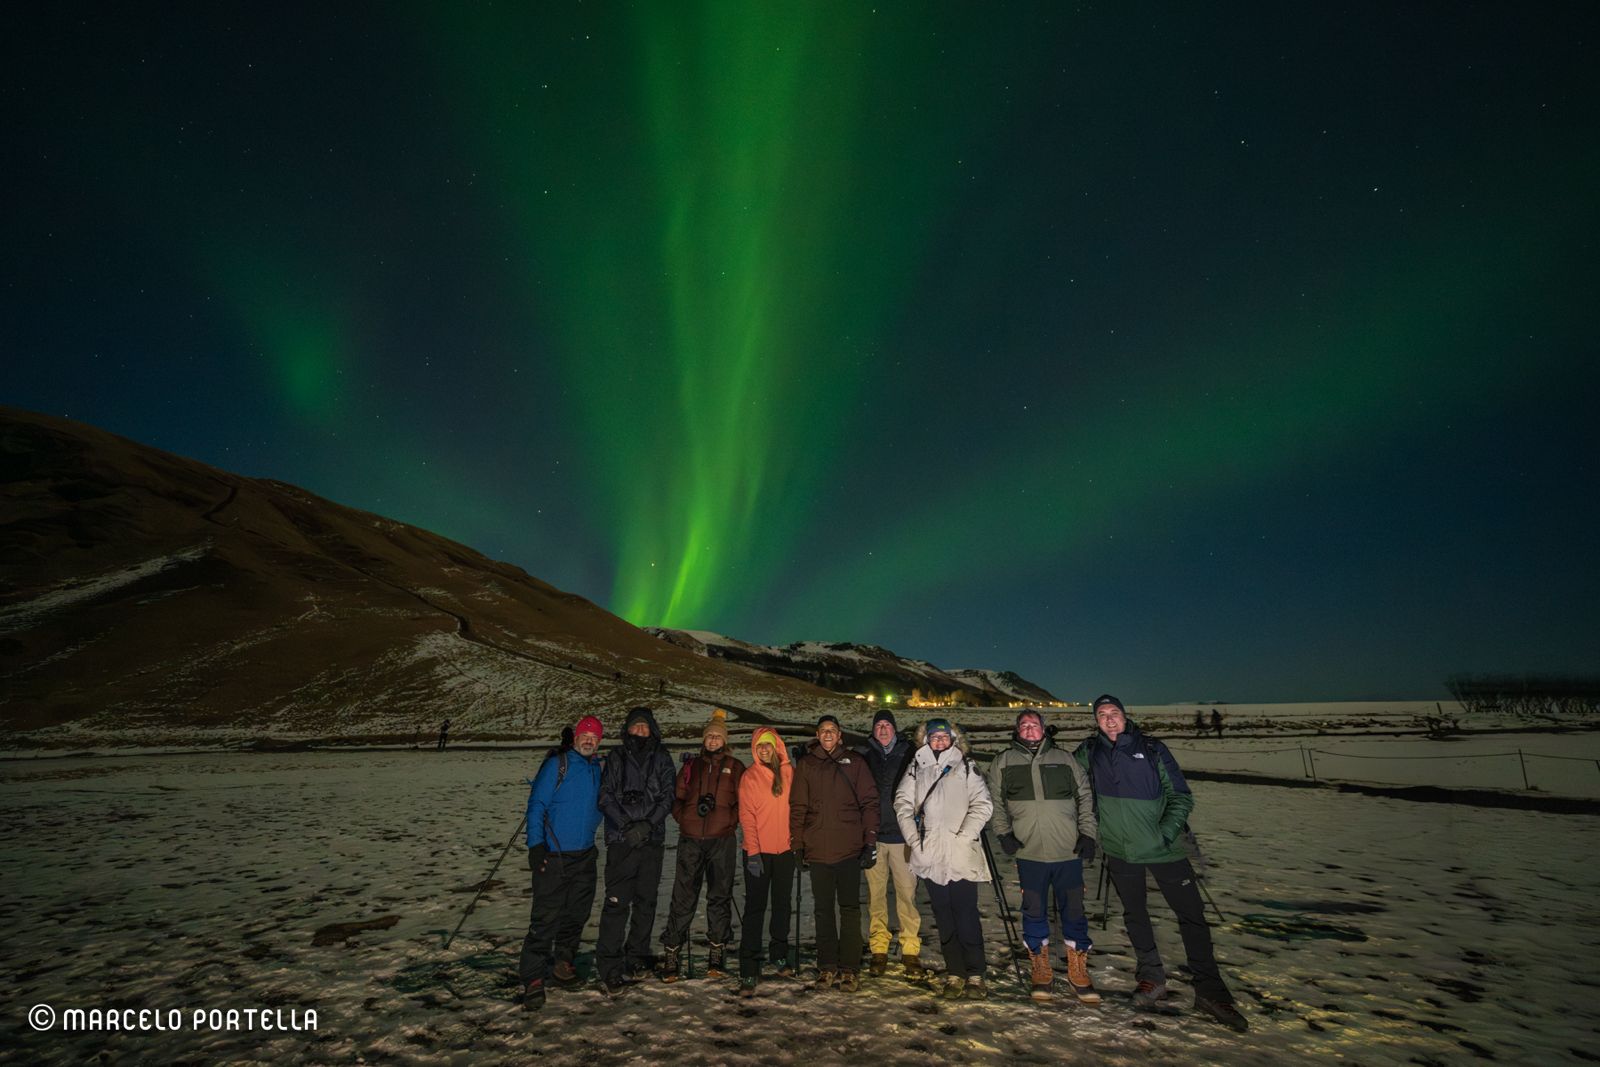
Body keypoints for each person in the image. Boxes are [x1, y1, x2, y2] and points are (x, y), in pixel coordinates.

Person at [1074, 695, 1247, 1032]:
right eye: (1101, 715)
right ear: (1095, 720)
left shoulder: (1152, 748)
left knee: (1192, 917)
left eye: (1114, 713)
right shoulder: (1089, 751)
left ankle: (1210, 991)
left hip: (1164, 851)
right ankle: (1151, 978)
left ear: (1126, 716)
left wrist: (1164, 834)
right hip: (1119, 851)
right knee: (1135, 916)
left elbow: (1181, 796)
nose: (1109, 720)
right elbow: (1064, 775)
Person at [987, 708, 1099, 1004]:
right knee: (1033, 911)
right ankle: (1041, 968)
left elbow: (1085, 797)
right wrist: (1003, 834)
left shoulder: (1065, 759)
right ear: (1016, 730)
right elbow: (995, 803)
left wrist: (1088, 834)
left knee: (1074, 911)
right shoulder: (1003, 762)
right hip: (1029, 853)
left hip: (1068, 851)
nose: (1029, 728)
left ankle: (1078, 970)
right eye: (1023, 724)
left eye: (1034, 724)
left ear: (1044, 729)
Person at [895, 718, 992, 999]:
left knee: (966, 915)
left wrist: (964, 836)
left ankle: (975, 974)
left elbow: (983, 804)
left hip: (960, 855)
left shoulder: (966, 766)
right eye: (933, 737)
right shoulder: (916, 766)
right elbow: (902, 803)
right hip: (930, 855)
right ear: (926, 740)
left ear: (952, 739)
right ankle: (955, 973)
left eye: (943, 736)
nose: (939, 741)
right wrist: (915, 840)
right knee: (944, 917)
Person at [519, 714, 605, 1011]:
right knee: (545, 919)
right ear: (576, 737)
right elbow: (536, 806)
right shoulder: (558, 764)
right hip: (553, 856)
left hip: (585, 856)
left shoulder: (598, 768)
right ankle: (532, 978)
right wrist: (535, 846)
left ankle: (562, 965)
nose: (589, 740)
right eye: (585, 735)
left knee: (575, 916)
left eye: (594, 738)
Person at [790, 713, 879, 993]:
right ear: (817, 735)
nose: (828, 734)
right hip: (818, 850)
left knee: (850, 910)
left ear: (840, 735)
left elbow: (869, 803)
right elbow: (798, 807)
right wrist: (798, 844)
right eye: (823, 730)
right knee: (823, 910)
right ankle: (827, 965)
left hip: (849, 849)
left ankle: (850, 968)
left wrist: (870, 841)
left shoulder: (855, 763)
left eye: (833, 730)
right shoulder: (806, 765)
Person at [659, 708, 744, 981]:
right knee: (683, 898)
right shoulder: (690, 766)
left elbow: (744, 801)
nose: (713, 741)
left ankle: (716, 953)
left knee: (719, 897)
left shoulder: (735, 767)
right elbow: (677, 797)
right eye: (709, 737)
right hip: (691, 840)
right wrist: (685, 818)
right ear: (704, 739)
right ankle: (672, 952)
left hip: (722, 841)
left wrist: (730, 821)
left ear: (724, 740)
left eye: (718, 737)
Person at [595, 706, 675, 994]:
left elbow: (668, 796)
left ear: (652, 729)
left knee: (646, 901)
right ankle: (609, 965)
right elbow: (605, 796)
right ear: (627, 729)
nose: (640, 731)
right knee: (616, 903)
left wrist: (648, 825)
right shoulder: (616, 758)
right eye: (635, 726)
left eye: (645, 727)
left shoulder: (662, 757)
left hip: (651, 841)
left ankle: (637, 956)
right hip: (621, 841)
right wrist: (628, 826)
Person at [856, 709, 924, 979]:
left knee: (907, 896)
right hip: (874, 837)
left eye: (887, 725)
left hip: (902, 837)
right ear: (873, 730)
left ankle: (910, 950)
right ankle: (879, 949)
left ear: (895, 729)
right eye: (879, 725)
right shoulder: (865, 756)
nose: (883, 729)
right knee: (876, 897)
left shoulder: (910, 754)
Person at [736, 727, 796, 996]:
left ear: (776, 747)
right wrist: (753, 853)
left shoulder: (788, 772)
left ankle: (779, 954)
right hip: (757, 853)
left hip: (784, 852)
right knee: (755, 909)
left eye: (768, 745)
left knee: (782, 905)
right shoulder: (749, 777)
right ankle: (749, 966)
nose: (763, 749)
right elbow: (747, 817)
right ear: (754, 748)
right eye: (759, 745)